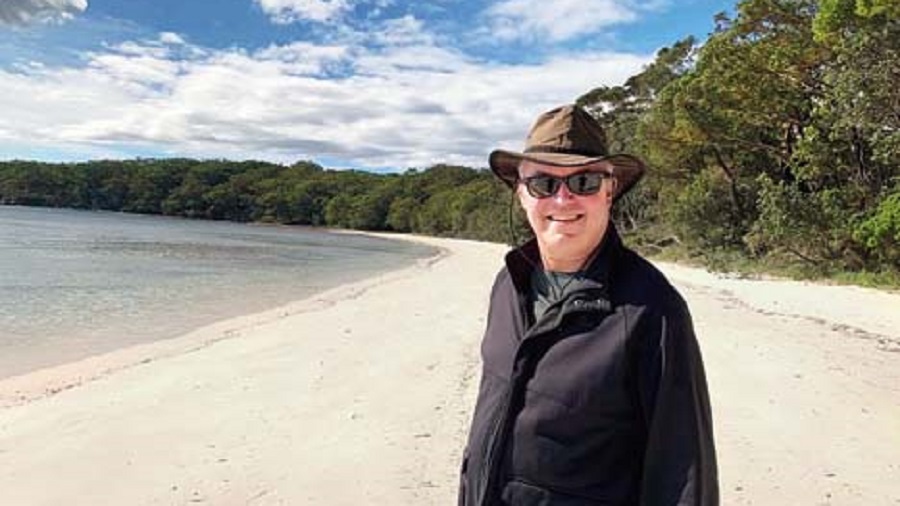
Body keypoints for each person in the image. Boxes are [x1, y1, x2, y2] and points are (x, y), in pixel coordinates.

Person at [458, 105, 718, 505]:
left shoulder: (652, 309)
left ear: (609, 191)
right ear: (520, 192)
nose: (562, 199)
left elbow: (684, 472)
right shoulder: (508, 284)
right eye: (543, 182)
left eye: (583, 181)